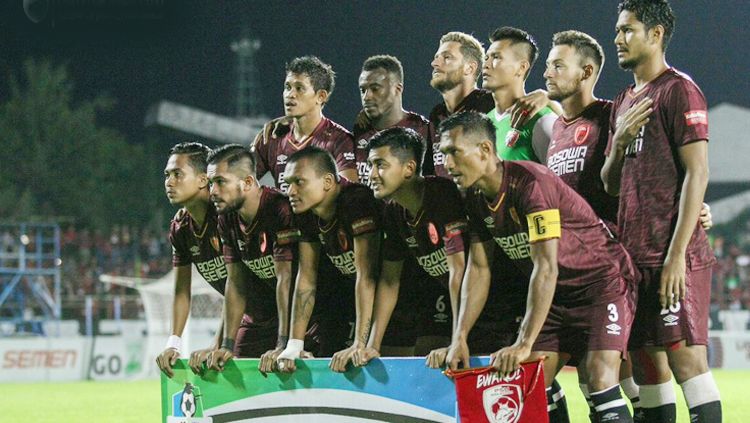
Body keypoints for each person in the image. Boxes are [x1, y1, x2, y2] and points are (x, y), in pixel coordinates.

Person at [442, 111, 637, 423]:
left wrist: (523, 341)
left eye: (454, 152)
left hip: (602, 286)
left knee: (600, 378)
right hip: (557, 299)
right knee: (525, 382)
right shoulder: (477, 199)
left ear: (485, 150)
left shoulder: (531, 184)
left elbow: (546, 267)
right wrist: (460, 336)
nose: (447, 164)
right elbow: (478, 269)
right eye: (443, 154)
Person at [601, 1, 721, 421]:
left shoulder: (678, 90)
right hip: (634, 260)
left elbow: (697, 173)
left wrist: (675, 259)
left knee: (687, 363)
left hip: (674, 257)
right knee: (650, 369)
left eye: (627, 30)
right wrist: (618, 142)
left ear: (655, 35)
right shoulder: (622, 102)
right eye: (617, 30)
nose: (617, 38)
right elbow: (610, 184)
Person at [276, 147, 381, 373]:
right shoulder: (304, 212)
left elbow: (367, 275)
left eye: (299, 182)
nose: (290, 191)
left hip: (392, 295)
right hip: (349, 298)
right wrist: (294, 344)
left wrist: (360, 344)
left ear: (327, 181)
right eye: (288, 183)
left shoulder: (357, 201)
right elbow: (306, 278)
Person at [200, 145, 300, 374]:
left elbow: (286, 279)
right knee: (228, 369)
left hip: (309, 315)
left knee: (294, 372)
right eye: (210, 183)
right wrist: (226, 345)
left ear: (246, 182)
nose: (212, 191)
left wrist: (283, 344)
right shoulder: (227, 219)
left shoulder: (280, 209)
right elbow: (235, 283)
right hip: (265, 316)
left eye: (220, 182)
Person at [156, 142, 228, 377]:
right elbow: (181, 292)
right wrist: (173, 342)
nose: (169, 181)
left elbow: (240, 286)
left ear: (202, 180)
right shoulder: (180, 228)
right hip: (247, 315)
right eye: (167, 175)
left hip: (274, 312)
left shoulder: (226, 217)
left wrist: (218, 342)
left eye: (178, 174)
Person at [253, 55, 358, 193]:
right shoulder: (272, 136)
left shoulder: (340, 140)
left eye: (299, 88)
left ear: (321, 96)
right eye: (287, 87)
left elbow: (350, 196)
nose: (290, 94)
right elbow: (242, 181)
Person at [353, 54, 431, 187]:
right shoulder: (360, 130)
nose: (366, 97)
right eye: (363, 90)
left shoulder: (423, 131)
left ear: (398, 89)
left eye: (375, 89)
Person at [482, 27, 557, 163]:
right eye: (486, 57)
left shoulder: (541, 120)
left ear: (521, 67)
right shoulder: (484, 123)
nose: (486, 64)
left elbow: (565, 180)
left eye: (496, 57)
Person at [427, 31, 494, 178]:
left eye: (447, 57)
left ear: (469, 68)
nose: (435, 63)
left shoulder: (490, 104)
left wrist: (545, 99)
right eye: (436, 58)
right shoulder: (437, 115)